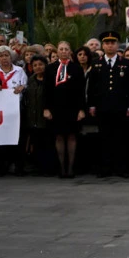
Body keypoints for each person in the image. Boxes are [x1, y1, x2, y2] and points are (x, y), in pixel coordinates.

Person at [87, 30, 129, 177]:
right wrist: (92, 105)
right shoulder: (96, 64)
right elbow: (92, 87)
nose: (110, 46)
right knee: (104, 138)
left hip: (120, 106)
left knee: (120, 138)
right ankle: (105, 168)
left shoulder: (125, 64)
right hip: (102, 107)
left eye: (113, 43)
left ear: (117, 45)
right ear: (103, 45)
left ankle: (121, 168)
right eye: (107, 43)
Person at [43, 40, 86, 178]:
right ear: (57, 51)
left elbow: (81, 91)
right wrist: (46, 108)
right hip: (56, 108)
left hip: (73, 107)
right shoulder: (50, 68)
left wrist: (81, 109)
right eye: (60, 49)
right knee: (59, 137)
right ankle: (61, 167)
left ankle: (71, 167)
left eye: (66, 49)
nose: (63, 51)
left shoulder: (77, 68)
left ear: (70, 51)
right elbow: (46, 90)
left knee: (72, 137)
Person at [0, 46, 28, 175]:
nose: (4, 58)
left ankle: (19, 166)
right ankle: (0, 166)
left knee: (17, 138)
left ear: (11, 57)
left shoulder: (19, 70)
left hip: (15, 109)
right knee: (0, 138)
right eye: (1, 56)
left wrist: (22, 87)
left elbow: (26, 84)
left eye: (6, 55)